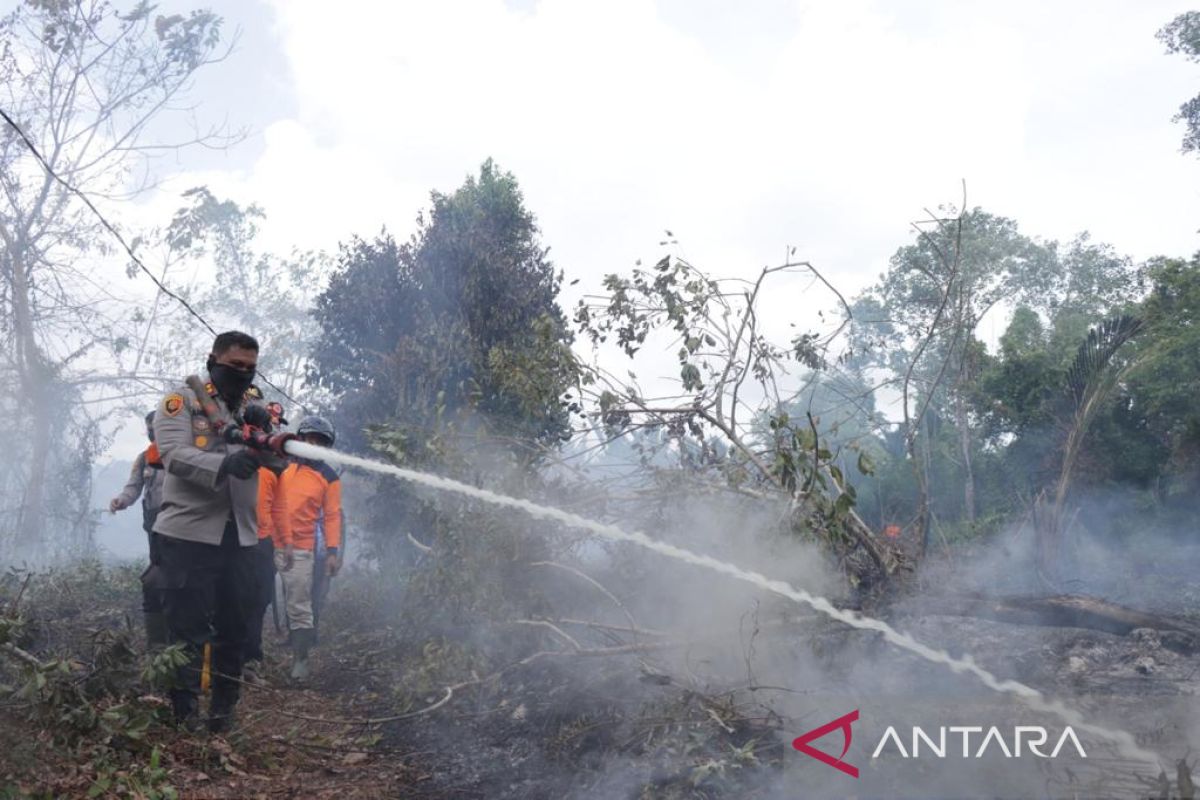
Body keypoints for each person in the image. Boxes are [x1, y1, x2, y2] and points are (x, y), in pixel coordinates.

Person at [152, 330, 280, 733]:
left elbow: (278, 463)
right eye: (234, 365)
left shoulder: (253, 405)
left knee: (236, 627)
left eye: (249, 367)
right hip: (188, 533)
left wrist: (267, 441)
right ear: (213, 361)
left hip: (241, 534)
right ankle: (183, 719)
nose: (242, 373)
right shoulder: (182, 401)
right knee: (187, 629)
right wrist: (223, 466)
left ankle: (222, 719)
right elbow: (173, 454)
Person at [275, 415, 342, 680]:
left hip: (302, 547)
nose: (314, 444)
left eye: (320, 441)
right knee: (253, 599)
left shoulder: (328, 476)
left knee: (300, 604)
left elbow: (333, 515)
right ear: (300, 439)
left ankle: (301, 659)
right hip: (267, 540)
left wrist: (333, 551)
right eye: (310, 438)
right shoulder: (281, 464)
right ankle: (249, 657)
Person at [109, 411, 168, 648]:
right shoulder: (144, 458)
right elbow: (133, 486)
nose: (152, 431)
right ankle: (157, 645)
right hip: (154, 527)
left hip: (183, 528)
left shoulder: (183, 454)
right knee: (156, 578)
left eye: (156, 426)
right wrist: (121, 500)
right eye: (149, 428)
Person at [245, 402, 289, 676]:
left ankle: (251, 654)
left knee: (260, 599)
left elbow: (280, 508)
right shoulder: (229, 451)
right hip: (230, 540)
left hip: (263, 542)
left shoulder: (275, 466)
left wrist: (282, 544)